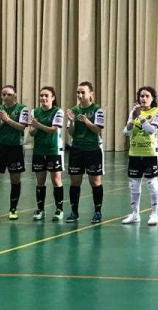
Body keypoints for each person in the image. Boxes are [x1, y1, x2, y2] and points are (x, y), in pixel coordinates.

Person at [0, 85, 30, 220]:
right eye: (3, 94)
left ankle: (13, 208)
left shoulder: (22, 108)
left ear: (14, 95)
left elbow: (22, 127)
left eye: (9, 94)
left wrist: (8, 120)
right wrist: (1, 123)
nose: (5, 97)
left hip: (15, 147)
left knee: (15, 179)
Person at [65, 81, 106, 223]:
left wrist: (86, 121)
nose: (80, 95)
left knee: (95, 181)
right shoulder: (74, 110)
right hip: (77, 149)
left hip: (93, 149)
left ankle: (97, 212)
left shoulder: (97, 109)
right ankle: (74, 212)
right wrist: (71, 122)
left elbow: (97, 130)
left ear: (90, 94)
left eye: (83, 92)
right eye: (78, 92)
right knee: (75, 181)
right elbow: (71, 133)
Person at [122, 86, 158, 225]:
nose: (143, 99)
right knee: (134, 185)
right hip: (134, 153)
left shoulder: (157, 111)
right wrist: (133, 119)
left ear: (152, 98)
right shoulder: (133, 112)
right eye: (141, 96)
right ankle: (135, 214)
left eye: (147, 96)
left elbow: (151, 130)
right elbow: (126, 132)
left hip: (150, 153)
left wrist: (140, 116)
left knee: (152, 183)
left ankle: (154, 214)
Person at [28, 86, 65, 221]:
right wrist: (34, 128)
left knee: (56, 180)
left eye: (46, 96)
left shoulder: (57, 111)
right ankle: (40, 209)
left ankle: (59, 209)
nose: (43, 98)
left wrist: (38, 125)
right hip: (39, 150)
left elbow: (54, 130)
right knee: (40, 181)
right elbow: (31, 132)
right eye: (41, 95)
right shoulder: (35, 112)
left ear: (53, 98)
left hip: (53, 150)